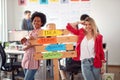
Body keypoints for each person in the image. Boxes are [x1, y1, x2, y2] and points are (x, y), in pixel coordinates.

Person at [21, 11, 46, 80]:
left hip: (34, 59)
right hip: (26, 59)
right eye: (34, 21)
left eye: (38, 21)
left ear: (42, 23)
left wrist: (31, 42)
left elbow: (39, 44)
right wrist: (28, 43)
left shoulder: (42, 32)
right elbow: (24, 47)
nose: (36, 22)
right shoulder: (31, 32)